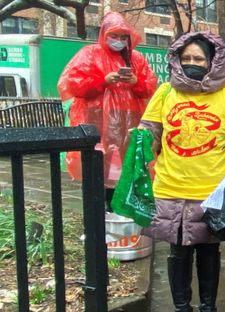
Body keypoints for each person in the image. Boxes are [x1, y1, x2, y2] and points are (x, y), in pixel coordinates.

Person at [139, 32, 225, 312]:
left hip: (213, 192)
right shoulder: (165, 93)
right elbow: (150, 134)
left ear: (212, 61)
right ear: (177, 60)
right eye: (187, 58)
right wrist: (140, 143)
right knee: (179, 252)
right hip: (171, 188)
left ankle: (208, 310)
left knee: (209, 251)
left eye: (199, 59)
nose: (192, 64)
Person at [57, 12, 158, 208]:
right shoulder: (89, 54)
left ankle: (121, 214)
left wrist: (136, 82)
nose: (119, 41)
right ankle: (98, 218)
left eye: (123, 37)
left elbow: (150, 87)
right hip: (97, 123)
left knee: (126, 169)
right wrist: (103, 81)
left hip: (129, 123)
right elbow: (75, 85)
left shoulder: (136, 58)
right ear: (104, 34)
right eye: (114, 35)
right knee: (97, 169)